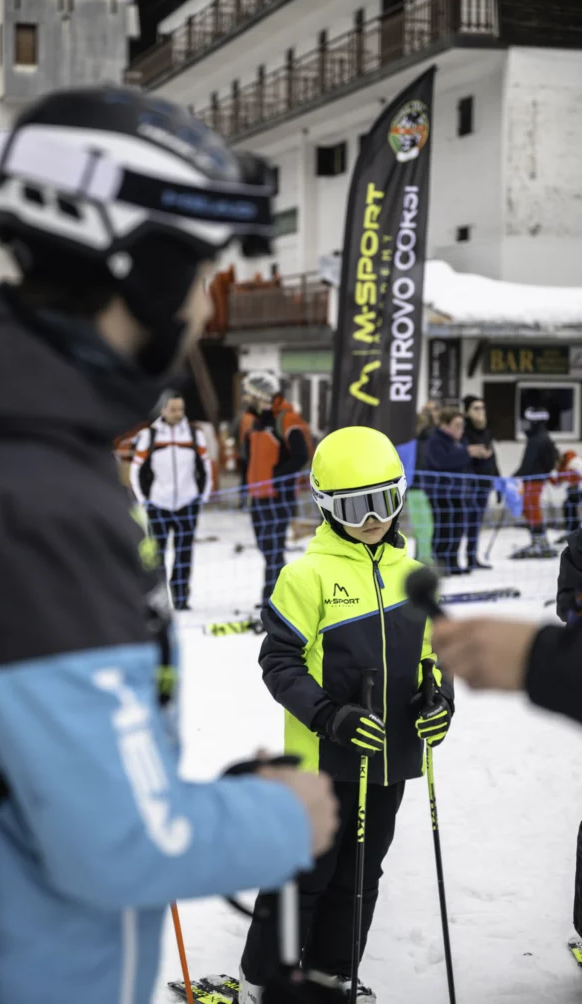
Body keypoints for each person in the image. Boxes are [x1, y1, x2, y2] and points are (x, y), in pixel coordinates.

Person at [0, 87, 339, 1004]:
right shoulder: (31, 497)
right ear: (144, 270)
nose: (204, 310)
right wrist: (275, 818)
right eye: (201, 273)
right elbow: (116, 844)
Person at [239, 426, 454, 1004]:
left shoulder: (415, 575)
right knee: (304, 875)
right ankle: (264, 982)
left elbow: (436, 656)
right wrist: (328, 715)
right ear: (327, 507)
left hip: (386, 758)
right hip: (321, 761)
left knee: (360, 876)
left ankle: (332, 975)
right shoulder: (305, 576)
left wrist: (439, 701)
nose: (373, 519)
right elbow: (279, 662)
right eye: (356, 507)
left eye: (384, 501)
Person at [131, 392, 212, 611]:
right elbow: (136, 469)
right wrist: (144, 500)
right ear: (163, 410)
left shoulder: (194, 434)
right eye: (174, 409)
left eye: (181, 409)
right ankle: (160, 597)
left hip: (187, 503)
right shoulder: (149, 435)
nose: (178, 414)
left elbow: (205, 466)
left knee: (184, 553)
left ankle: (181, 597)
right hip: (158, 504)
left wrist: (201, 497)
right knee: (157, 555)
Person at [244, 371, 311, 606]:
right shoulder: (257, 421)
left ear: (260, 395)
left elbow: (301, 455)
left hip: (278, 495)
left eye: (248, 393)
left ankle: (272, 597)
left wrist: (276, 477)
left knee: (273, 548)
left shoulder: (286, 419)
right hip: (258, 496)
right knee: (265, 546)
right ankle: (282, 592)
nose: (245, 398)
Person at [424, 407, 491, 575]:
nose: (461, 429)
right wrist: (467, 452)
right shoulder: (435, 441)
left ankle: (453, 562)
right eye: (457, 425)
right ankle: (440, 564)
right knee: (443, 529)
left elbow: (467, 465)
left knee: (457, 530)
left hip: (460, 493)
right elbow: (442, 461)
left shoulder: (460, 442)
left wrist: (482, 457)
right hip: (441, 494)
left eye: (462, 425)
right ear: (444, 425)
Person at [510, 406, 558, 559]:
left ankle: (540, 543)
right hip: (536, 479)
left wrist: (514, 476)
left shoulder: (537, 440)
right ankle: (537, 541)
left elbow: (528, 463)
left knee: (531, 509)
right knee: (529, 508)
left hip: (533, 480)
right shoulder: (543, 437)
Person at [462, 396, 499, 570]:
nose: (480, 412)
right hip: (469, 484)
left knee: (476, 523)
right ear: (467, 412)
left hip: (485, 483)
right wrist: (470, 452)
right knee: (462, 522)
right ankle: (452, 560)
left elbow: (493, 457)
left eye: (482, 408)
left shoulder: (486, 431)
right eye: (476, 408)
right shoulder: (463, 431)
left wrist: (497, 481)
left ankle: (472, 557)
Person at [406, 401, 438, 566]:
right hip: (419, 486)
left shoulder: (425, 438)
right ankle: (423, 558)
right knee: (423, 526)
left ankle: (423, 557)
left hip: (421, 486)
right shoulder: (423, 439)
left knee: (424, 525)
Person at [231, 392, 258, 508]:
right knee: (253, 477)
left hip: (244, 452)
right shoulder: (257, 417)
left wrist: (238, 444)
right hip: (254, 453)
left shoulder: (241, 416)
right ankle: (253, 501)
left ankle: (243, 501)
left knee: (244, 478)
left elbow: (233, 431)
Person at [550, 449, 582, 544]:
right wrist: (548, 476)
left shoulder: (573, 461)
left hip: (578, 489)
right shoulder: (562, 466)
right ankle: (573, 532)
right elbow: (557, 482)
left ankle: (574, 532)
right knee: (568, 507)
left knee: (569, 507)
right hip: (574, 491)